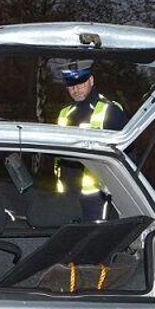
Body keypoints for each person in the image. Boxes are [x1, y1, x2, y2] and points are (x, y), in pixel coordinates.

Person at [53, 60, 127, 218]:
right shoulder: (65, 113)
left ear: (91, 80)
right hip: (67, 194)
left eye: (80, 84)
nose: (76, 90)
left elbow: (126, 154)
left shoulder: (110, 110)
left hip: (98, 197)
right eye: (71, 85)